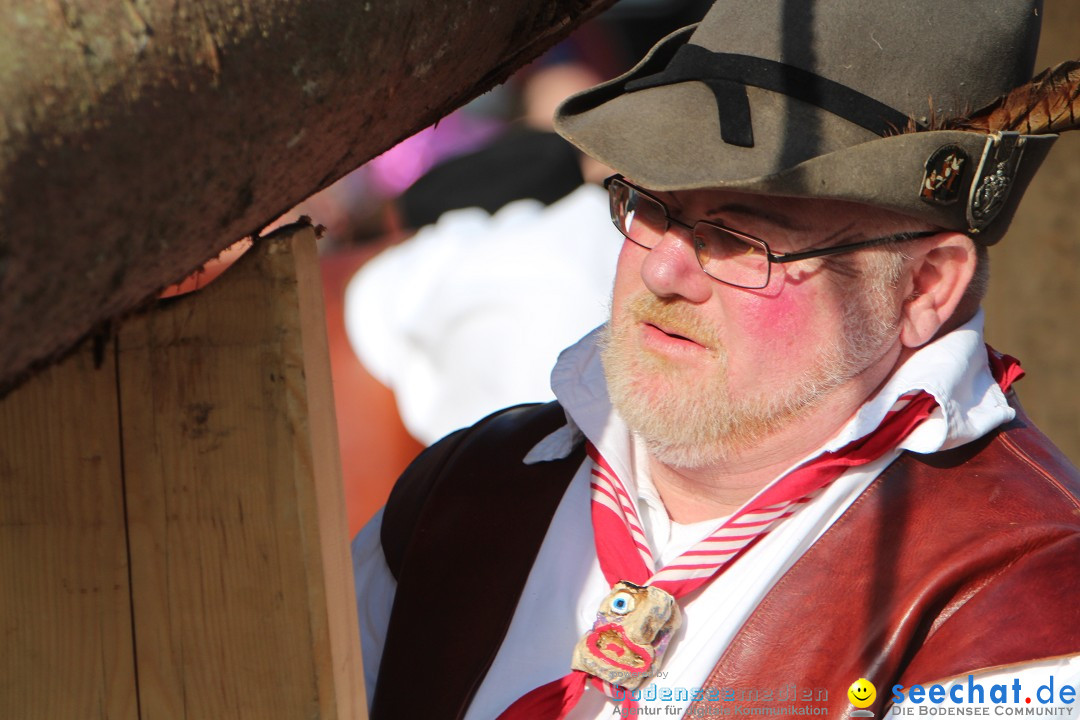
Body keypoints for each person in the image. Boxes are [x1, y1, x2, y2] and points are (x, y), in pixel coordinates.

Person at [352, 1, 1080, 719]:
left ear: (924, 287)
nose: (663, 269)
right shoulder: (463, 493)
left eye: (740, 237)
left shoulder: (1025, 600)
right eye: (650, 205)